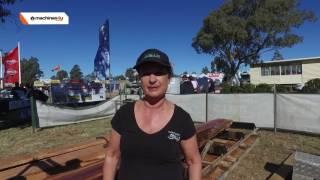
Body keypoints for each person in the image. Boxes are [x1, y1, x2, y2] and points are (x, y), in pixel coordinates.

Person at [103, 49, 201, 180]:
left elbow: (193, 162)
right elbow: (112, 156)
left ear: (169, 78)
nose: (152, 79)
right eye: (146, 73)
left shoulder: (182, 119)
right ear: (140, 78)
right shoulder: (124, 114)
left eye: (159, 73)